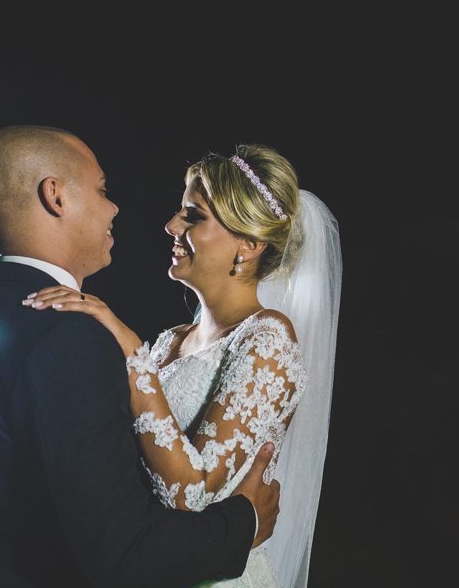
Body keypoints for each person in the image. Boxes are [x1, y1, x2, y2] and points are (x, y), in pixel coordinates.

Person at [0, 126, 281, 587]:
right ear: (56, 196)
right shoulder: (65, 336)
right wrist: (244, 523)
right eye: (103, 190)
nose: (114, 208)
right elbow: (125, 552)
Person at [23, 145, 342, 588]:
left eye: (193, 216)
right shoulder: (171, 340)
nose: (172, 226)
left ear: (249, 245)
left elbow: (193, 496)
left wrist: (131, 351)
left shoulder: (267, 339)